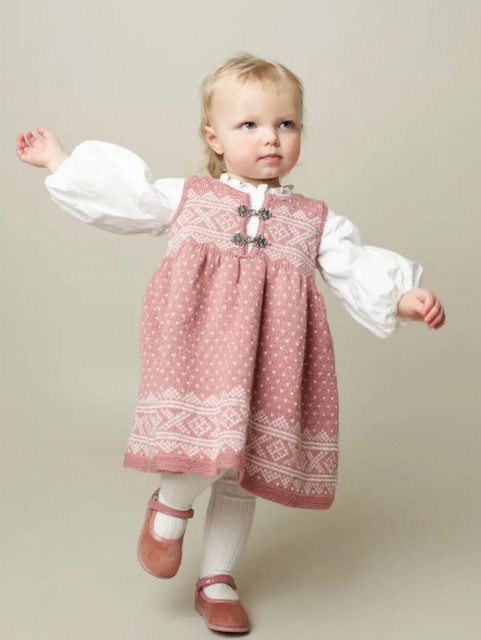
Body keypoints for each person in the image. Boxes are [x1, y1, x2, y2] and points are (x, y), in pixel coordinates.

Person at [16, 52, 445, 634]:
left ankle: (217, 579)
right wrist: (60, 163)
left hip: (273, 361)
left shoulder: (315, 221)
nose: (271, 137)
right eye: (250, 124)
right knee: (210, 447)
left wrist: (402, 298)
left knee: (243, 473)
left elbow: (355, 267)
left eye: (286, 124)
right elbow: (127, 199)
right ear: (213, 137)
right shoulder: (190, 197)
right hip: (200, 350)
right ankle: (170, 506)